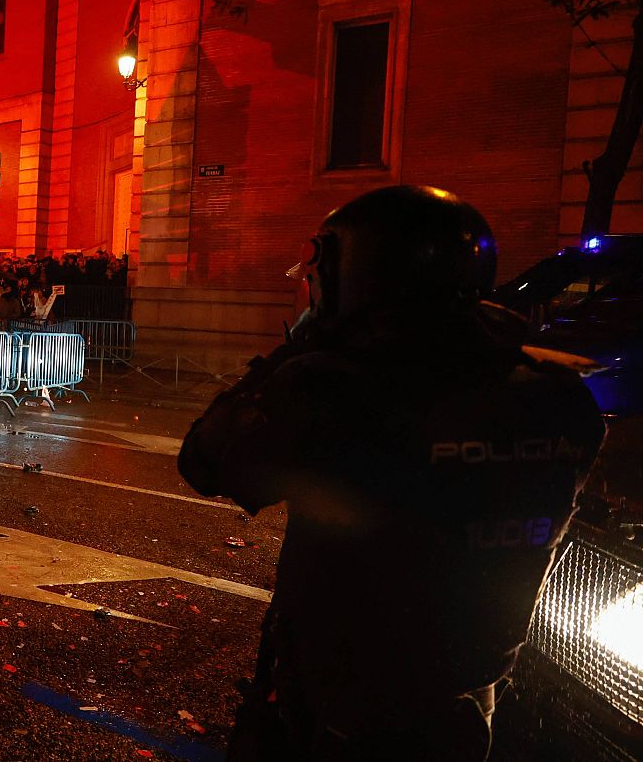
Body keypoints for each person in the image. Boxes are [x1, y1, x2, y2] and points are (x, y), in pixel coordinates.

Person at [177, 186, 605, 761]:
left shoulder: (336, 387)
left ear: (362, 272)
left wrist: (302, 349)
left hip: (341, 704)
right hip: (469, 699)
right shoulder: (557, 395)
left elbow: (207, 461)